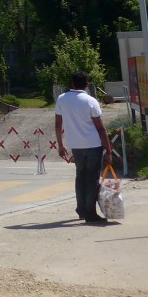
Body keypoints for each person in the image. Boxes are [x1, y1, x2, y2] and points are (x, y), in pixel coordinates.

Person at [54, 70, 114, 224]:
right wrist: (108, 150)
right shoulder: (90, 101)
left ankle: (81, 209)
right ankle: (90, 213)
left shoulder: (62, 99)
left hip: (75, 145)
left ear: (72, 84)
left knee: (80, 177)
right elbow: (100, 128)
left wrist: (60, 145)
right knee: (92, 179)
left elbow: (58, 123)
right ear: (86, 85)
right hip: (93, 144)